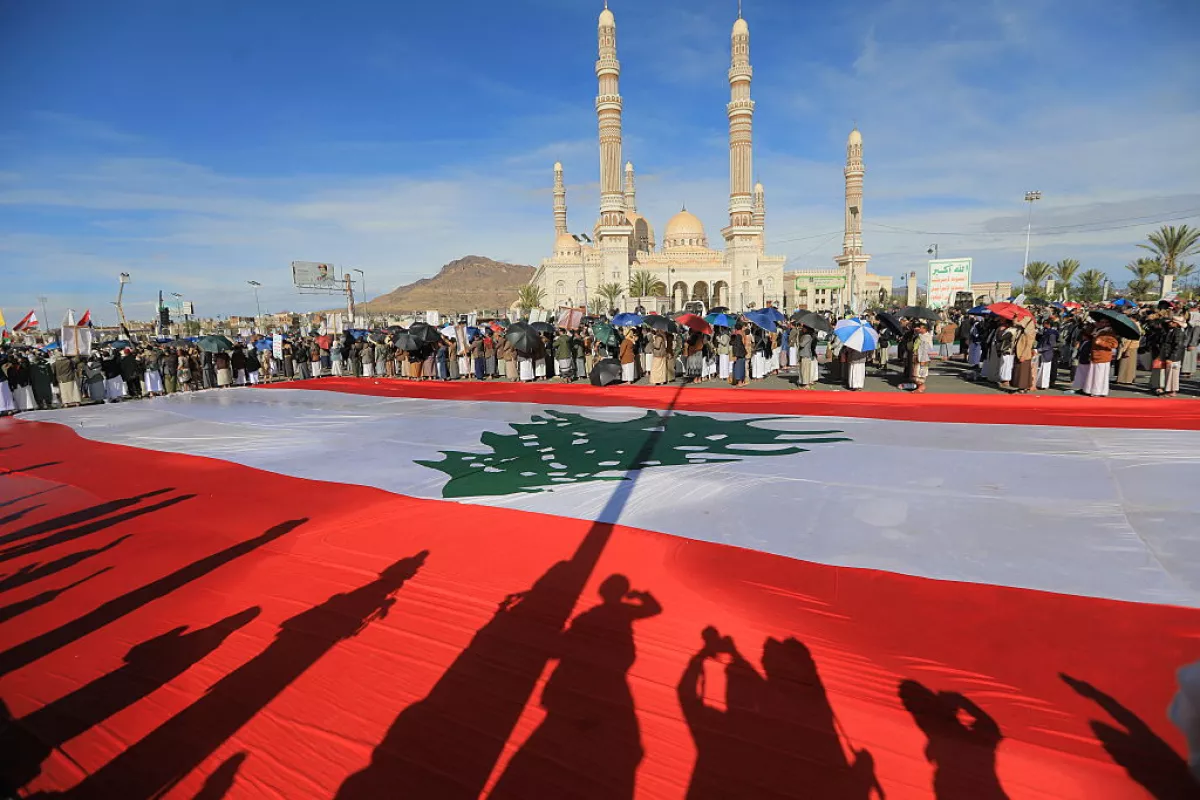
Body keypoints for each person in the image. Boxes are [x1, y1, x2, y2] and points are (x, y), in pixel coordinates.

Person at [1085, 319, 1119, 397]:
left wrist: (1102, 343)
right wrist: (1092, 325)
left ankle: (1098, 391)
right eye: (1101, 322)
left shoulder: (1110, 332)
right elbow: (1087, 334)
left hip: (1103, 355)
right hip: (1095, 354)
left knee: (1100, 375)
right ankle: (1091, 389)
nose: (1102, 323)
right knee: (1093, 374)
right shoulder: (1097, 330)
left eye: (1104, 322)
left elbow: (1114, 344)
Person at [1157, 315, 1187, 398]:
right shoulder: (1172, 330)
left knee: (1173, 374)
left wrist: (1172, 358)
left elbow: (1178, 346)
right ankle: (1169, 390)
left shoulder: (1178, 332)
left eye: (1173, 322)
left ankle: (1172, 391)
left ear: (1177, 324)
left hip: (1174, 357)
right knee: (1169, 373)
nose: (1170, 323)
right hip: (1169, 354)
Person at [1035, 318, 1058, 390]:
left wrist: (1040, 349)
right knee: (1041, 369)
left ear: (1048, 324)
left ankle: (1044, 385)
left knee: (1045, 370)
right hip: (1042, 352)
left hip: (1047, 353)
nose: (1043, 324)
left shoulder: (1052, 333)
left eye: (1044, 323)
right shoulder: (1045, 331)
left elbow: (1051, 345)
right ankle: (1039, 384)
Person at [911, 321, 933, 393]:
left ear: (925, 329)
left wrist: (924, 359)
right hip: (917, 356)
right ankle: (919, 387)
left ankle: (921, 387)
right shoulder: (919, 335)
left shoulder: (927, 337)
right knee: (916, 374)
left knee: (921, 374)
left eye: (920, 328)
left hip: (923, 357)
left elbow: (927, 350)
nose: (919, 329)